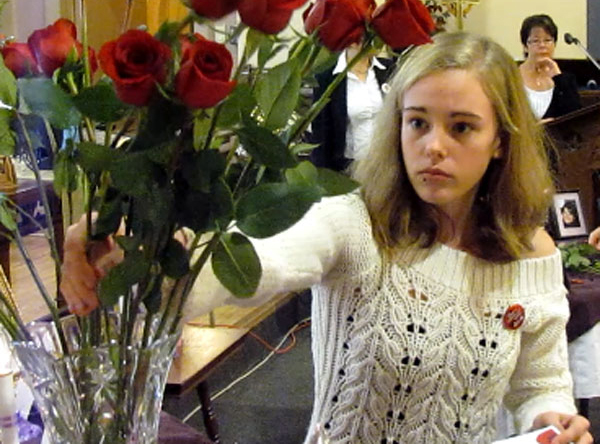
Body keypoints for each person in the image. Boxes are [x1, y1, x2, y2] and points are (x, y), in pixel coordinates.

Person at [60, 32, 592, 443]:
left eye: (461, 127)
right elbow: (244, 265)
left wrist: (553, 419)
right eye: (417, 123)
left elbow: (539, 381)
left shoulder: (530, 253)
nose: (433, 146)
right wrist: (137, 250)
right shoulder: (355, 224)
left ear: (500, 140)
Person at [308, 41, 395, 172]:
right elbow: (321, 135)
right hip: (348, 168)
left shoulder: (389, 69)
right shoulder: (327, 77)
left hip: (387, 164)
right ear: (353, 41)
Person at [519, 14, 581, 120]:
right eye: (536, 41)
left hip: (557, 136)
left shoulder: (566, 80)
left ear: (554, 44)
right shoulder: (512, 77)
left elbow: (576, 118)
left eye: (548, 40)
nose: (542, 45)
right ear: (525, 46)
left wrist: (558, 78)